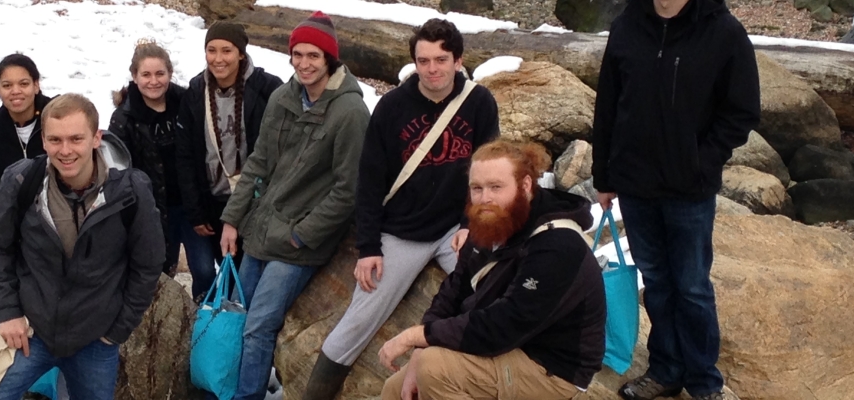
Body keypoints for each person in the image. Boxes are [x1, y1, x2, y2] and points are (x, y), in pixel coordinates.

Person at [302, 18, 501, 399]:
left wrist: (469, 224)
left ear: (458, 60)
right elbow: (370, 181)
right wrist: (369, 248)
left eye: (441, 60)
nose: (432, 69)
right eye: (423, 60)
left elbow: (488, 171)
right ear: (414, 62)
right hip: (402, 230)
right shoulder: (393, 106)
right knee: (359, 319)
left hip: (454, 228)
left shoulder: (479, 102)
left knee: (492, 287)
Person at [590, 0, 760, 398]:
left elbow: (743, 110)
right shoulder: (627, 26)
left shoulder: (723, 31)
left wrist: (704, 159)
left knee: (692, 287)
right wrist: (605, 174)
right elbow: (608, 106)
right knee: (658, 283)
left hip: (689, 189)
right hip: (636, 184)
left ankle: (704, 382)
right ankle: (665, 370)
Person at [376, 139, 606, 400]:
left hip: (549, 367)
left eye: (496, 187)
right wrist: (420, 344)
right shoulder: (491, 222)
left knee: (434, 369)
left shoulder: (558, 245)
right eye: (477, 188)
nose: (485, 199)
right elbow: (454, 290)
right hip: (503, 345)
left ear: (526, 185)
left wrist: (418, 336)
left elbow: (506, 324)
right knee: (395, 390)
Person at [217, 12, 369, 400]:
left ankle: (246, 396)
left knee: (259, 325)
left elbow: (348, 190)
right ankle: (226, 386)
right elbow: (259, 162)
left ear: (329, 59)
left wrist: (304, 235)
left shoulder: (350, 112)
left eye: (313, 55)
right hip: (263, 229)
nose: (303, 63)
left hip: (300, 241)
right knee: (238, 315)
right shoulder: (283, 97)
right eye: (297, 54)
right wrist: (233, 219)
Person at [0, 93, 164, 400]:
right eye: (55, 140)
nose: (65, 151)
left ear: (96, 138)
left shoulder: (130, 191)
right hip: (31, 331)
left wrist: (117, 329)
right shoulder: (21, 181)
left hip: (95, 339)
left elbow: (148, 264)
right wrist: (8, 311)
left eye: (76, 139)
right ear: (44, 140)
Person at [108, 39, 216, 298]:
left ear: (169, 73)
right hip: (153, 211)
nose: (153, 81)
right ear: (134, 77)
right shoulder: (124, 118)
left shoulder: (187, 102)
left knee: (204, 270)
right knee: (160, 273)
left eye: (160, 74)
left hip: (191, 206)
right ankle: (164, 326)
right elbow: (118, 173)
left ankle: (203, 317)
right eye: (146, 74)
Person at [176, 22, 284, 273]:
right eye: (211, 50)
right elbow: (185, 156)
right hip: (214, 201)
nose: (218, 59)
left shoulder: (267, 88)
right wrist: (196, 211)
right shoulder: (195, 92)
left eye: (226, 50)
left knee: (254, 270)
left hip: (256, 201)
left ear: (241, 53)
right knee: (228, 268)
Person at [0, 53, 56, 225]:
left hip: (60, 226)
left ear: (36, 85)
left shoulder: (58, 120)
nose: (15, 91)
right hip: (12, 233)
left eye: (23, 84)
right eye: (7, 85)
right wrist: (0, 233)